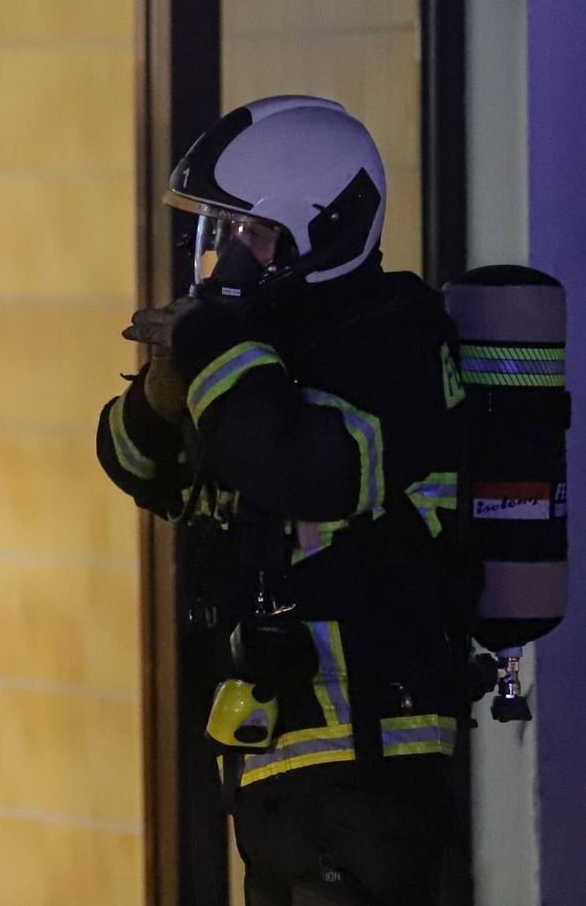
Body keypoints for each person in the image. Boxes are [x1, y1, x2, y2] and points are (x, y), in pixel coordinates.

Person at [96, 96, 468, 905]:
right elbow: (142, 471)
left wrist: (211, 347)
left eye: (252, 232)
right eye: (223, 230)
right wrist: (160, 395)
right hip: (275, 754)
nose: (227, 254)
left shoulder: (395, 338)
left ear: (322, 228)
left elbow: (301, 471)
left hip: (368, 754)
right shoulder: (254, 351)